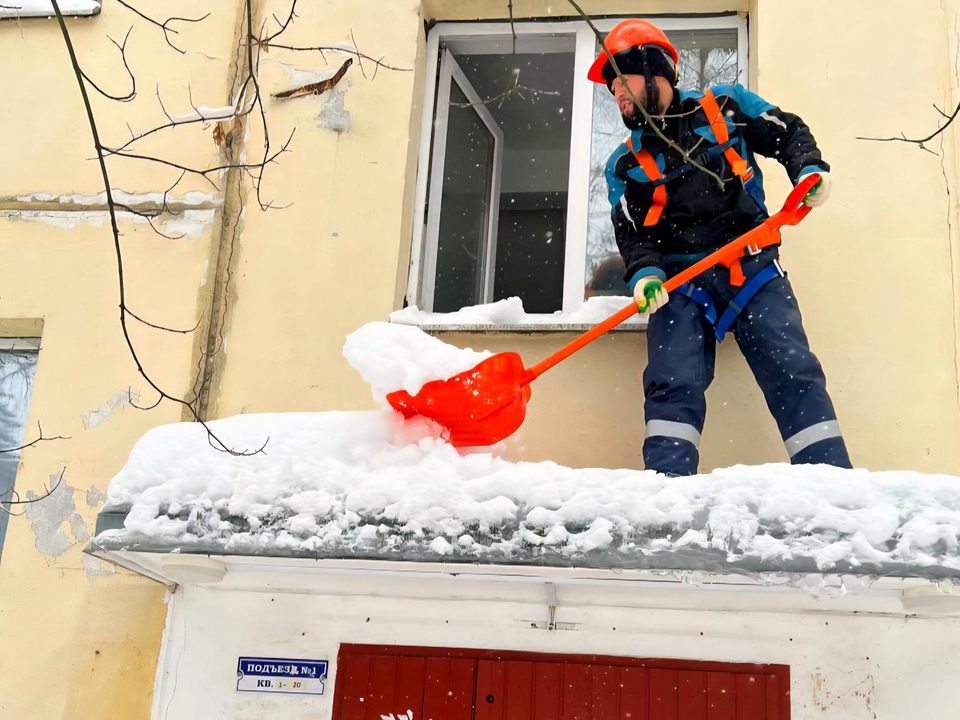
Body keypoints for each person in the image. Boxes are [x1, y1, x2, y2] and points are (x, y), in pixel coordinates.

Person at [591, 19, 851, 476]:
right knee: (672, 384)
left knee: (794, 373)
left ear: (655, 72)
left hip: (753, 270)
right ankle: (667, 498)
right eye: (612, 89)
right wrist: (646, 274)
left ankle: (833, 491)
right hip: (682, 285)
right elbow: (633, 233)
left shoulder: (726, 106)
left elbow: (786, 131)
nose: (617, 95)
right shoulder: (624, 164)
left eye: (622, 81)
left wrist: (809, 170)